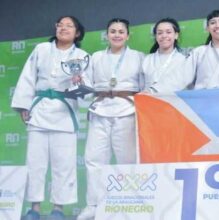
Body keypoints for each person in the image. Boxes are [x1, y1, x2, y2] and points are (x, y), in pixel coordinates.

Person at [11, 15, 89, 220]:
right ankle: (34, 208)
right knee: (35, 163)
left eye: (69, 26)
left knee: (64, 164)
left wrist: (78, 82)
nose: (63, 28)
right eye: (60, 25)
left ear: (77, 33)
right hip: (40, 111)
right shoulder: (41, 50)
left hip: (65, 113)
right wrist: (23, 105)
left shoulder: (81, 56)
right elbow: (28, 77)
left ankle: (58, 209)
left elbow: (85, 92)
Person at [77, 18, 144, 220]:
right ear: (106, 35)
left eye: (121, 31)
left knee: (128, 160)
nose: (116, 35)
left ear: (128, 35)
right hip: (100, 110)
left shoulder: (138, 57)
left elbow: (144, 85)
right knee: (94, 159)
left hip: (127, 110)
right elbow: (87, 85)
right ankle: (93, 205)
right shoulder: (96, 57)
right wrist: (79, 81)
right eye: (112, 31)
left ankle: (129, 203)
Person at [152, 10, 219, 92]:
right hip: (204, 106)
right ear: (207, 28)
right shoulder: (198, 52)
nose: (217, 25)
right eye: (212, 23)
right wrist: (154, 90)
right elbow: (180, 77)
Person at [142, 17, 186, 93]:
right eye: (160, 33)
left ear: (176, 35)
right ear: (156, 36)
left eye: (168, 32)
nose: (164, 36)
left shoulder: (183, 61)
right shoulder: (147, 60)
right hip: (148, 103)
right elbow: (140, 88)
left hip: (173, 103)